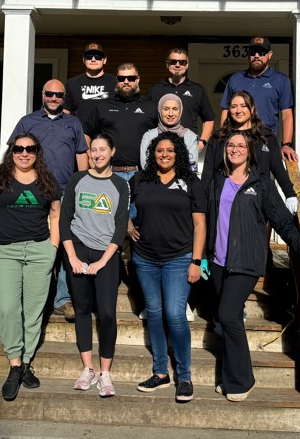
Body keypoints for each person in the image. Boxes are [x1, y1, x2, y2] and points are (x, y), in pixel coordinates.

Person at [206, 131, 300, 402]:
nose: (235, 149)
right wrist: (202, 255)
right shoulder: (218, 180)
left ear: (250, 151)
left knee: (227, 316)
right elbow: (209, 219)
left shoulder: (261, 184)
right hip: (217, 261)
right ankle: (229, 376)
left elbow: (282, 221)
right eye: (231, 145)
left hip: (246, 261)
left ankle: (242, 380)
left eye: (241, 146)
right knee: (226, 319)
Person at [0, 133, 61, 401]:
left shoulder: (47, 179)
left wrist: (52, 248)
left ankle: (25, 363)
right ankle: (14, 363)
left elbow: (55, 214)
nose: (24, 153)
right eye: (19, 148)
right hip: (4, 252)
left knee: (33, 312)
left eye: (30, 149)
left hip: (38, 251)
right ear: (11, 151)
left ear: (37, 152)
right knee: (9, 308)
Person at [129, 131, 206, 403]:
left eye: (170, 151)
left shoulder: (191, 183)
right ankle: (161, 373)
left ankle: (184, 376)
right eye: (159, 150)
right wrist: (128, 225)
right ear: (153, 153)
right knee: (155, 314)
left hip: (179, 258)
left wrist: (196, 261)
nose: (164, 154)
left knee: (174, 315)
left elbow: (199, 225)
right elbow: (126, 208)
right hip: (145, 259)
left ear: (179, 154)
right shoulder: (140, 179)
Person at [6, 79, 89, 322]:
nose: (54, 98)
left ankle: (62, 299)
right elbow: (14, 153)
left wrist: (81, 186)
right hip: (33, 190)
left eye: (59, 95)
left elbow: (81, 155)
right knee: (32, 239)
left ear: (64, 98)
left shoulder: (73, 122)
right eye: (50, 94)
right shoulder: (28, 121)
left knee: (65, 242)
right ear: (42, 95)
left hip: (64, 191)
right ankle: (31, 297)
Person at [60, 133, 130, 398]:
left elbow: (121, 225)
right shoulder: (77, 180)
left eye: (103, 149)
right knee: (81, 310)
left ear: (112, 151)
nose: (98, 154)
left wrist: (102, 261)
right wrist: (73, 258)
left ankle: (105, 373)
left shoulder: (120, 185)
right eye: (94, 150)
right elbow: (64, 221)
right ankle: (87, 368)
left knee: (108, 313)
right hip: (77, 250)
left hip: (106, 255)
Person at [202, 91, 298, 216]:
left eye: (243, 106)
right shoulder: (219, 138)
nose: (238, 110)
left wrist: (290, 194)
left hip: (258, 202)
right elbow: (208, 173)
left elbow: (278, 168)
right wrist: (202, 203)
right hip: (223, 202)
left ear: (252, 108)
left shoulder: (266, 137)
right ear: (229, 110)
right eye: (233, 106)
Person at [219, 37, 298, 162]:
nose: (256, 56)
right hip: (237, 144)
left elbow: (286, 114)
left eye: (261, 52)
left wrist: (286, 144)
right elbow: (225, 110)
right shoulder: (236, 79)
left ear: (270, 55)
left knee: (264, 180)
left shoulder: (281, 80)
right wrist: (224, 139)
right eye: (252, 52)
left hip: (265, 143)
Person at [82, 62, 157, 186]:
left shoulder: (150, 106)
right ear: (117, 80)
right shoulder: (103, 106)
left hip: (142, 174)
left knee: (136, 207)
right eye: (122, 78)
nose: (126, 81)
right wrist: (91, 160)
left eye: (131, 78)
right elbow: (85, 133)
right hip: (109, 173)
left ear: (138, 80)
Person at [148, 48, 215, 153]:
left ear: (187, 65)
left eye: (182, 62)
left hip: (188, 148)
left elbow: (209, 119)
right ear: (167, 64)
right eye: (173, 62)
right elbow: (148, 120)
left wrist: (202, 142)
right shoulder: (156, 89)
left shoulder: (197, 90)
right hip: (161, 149)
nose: (177, 65)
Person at [140, 93, 199, 171]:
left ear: (180, 111)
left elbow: (192, 167)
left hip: (182, 182)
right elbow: (145, 166)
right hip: (154, 181)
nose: (170, 114)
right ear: (159, 110)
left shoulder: (190, 137)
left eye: (175, 109)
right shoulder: (149, 136)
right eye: (166, 109)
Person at [64, 42, 117, 122]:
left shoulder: (115, 82)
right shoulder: (72, 83)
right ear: (83, 60)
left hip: (107, 133)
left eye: (98, 56)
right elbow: (65, 112)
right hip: (80, 133)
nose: (93, 59)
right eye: (89, 56)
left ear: (104, 60)